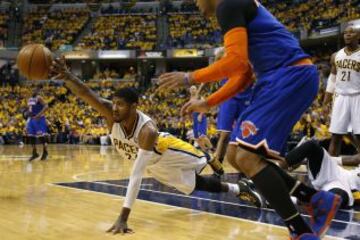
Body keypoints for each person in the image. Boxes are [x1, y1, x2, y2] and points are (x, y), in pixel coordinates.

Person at [158, 0, 341, 239]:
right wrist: (208, 102)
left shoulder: (228, 6)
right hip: (278, 77)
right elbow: (243, 74)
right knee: (235, 155)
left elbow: (235, 62)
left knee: (247, 156)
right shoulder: (232, 8)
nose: (194, 3)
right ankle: (313, 198)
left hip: (288, 75)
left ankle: (300, 231)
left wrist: (190, 77)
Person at [51, 57, 264, 235]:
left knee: (199, 159)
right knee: (193, 186)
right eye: (114, 103)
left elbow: (136, 176)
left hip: (165, 148)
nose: (114, 108)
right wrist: (68, 76)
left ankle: (207, 156)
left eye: (120, 104)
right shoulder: (110, 114)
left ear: (134, 107)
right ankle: (238, 188)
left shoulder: (147, 131)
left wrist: (123, 216)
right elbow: (86, 93)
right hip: (154, 163)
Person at [282, 140, 360, 209]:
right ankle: (276, 168)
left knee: (334, 200)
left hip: (344, 189)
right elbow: (356, 159)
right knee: (311, 145)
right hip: (338, 173)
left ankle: (290, 198)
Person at [324, 25, 360, 156]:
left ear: (358, 36)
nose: (348, 35)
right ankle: (330, 169)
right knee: (336, 135)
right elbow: (332, 79)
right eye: (346, 33)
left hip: (358, 96)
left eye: (352, 32)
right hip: (341, 97)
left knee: (359, 134)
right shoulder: (336, 55)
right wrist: (326, 101)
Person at [26, 88, 49, 161]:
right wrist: (28, 115)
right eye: (32, 90)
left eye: (34, 90)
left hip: (39, 119)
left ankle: (45, 152)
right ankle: (34, 153)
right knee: (31, 136)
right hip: (32, 119)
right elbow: (30, 109)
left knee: (41, 137)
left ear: (37, 91)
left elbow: (46, 106)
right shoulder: (29, 99)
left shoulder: (39, 97)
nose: (32, 91)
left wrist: (39, 115)